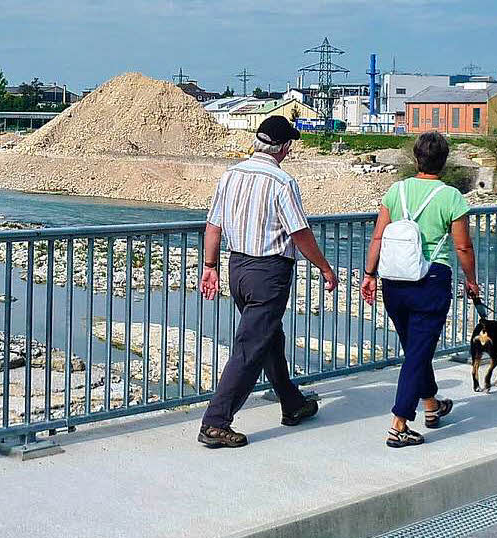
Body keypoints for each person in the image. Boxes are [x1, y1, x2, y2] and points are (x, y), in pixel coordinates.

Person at [198, 115, 339, 448]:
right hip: (269, 272)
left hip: (237, 268)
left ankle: (293, 404)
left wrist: (209, 266)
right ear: (285, 147)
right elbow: (300, 232)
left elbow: (213, 226)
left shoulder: (230, 175)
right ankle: (215, 423)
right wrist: (324, 267)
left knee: (268, 337)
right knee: (250, 347)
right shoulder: (282, 182)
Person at [360, 131, 479, 448]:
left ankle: (431, 406)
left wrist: (369, 274)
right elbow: (463, 247)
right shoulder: (451, 197)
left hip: (394, 282)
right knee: (417, 353)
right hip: (431, 281)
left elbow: (377, 238)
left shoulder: (395, 191)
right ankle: (399, 424)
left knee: (416, 350)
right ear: (445, 160)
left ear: (416, 159)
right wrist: (471, 280)